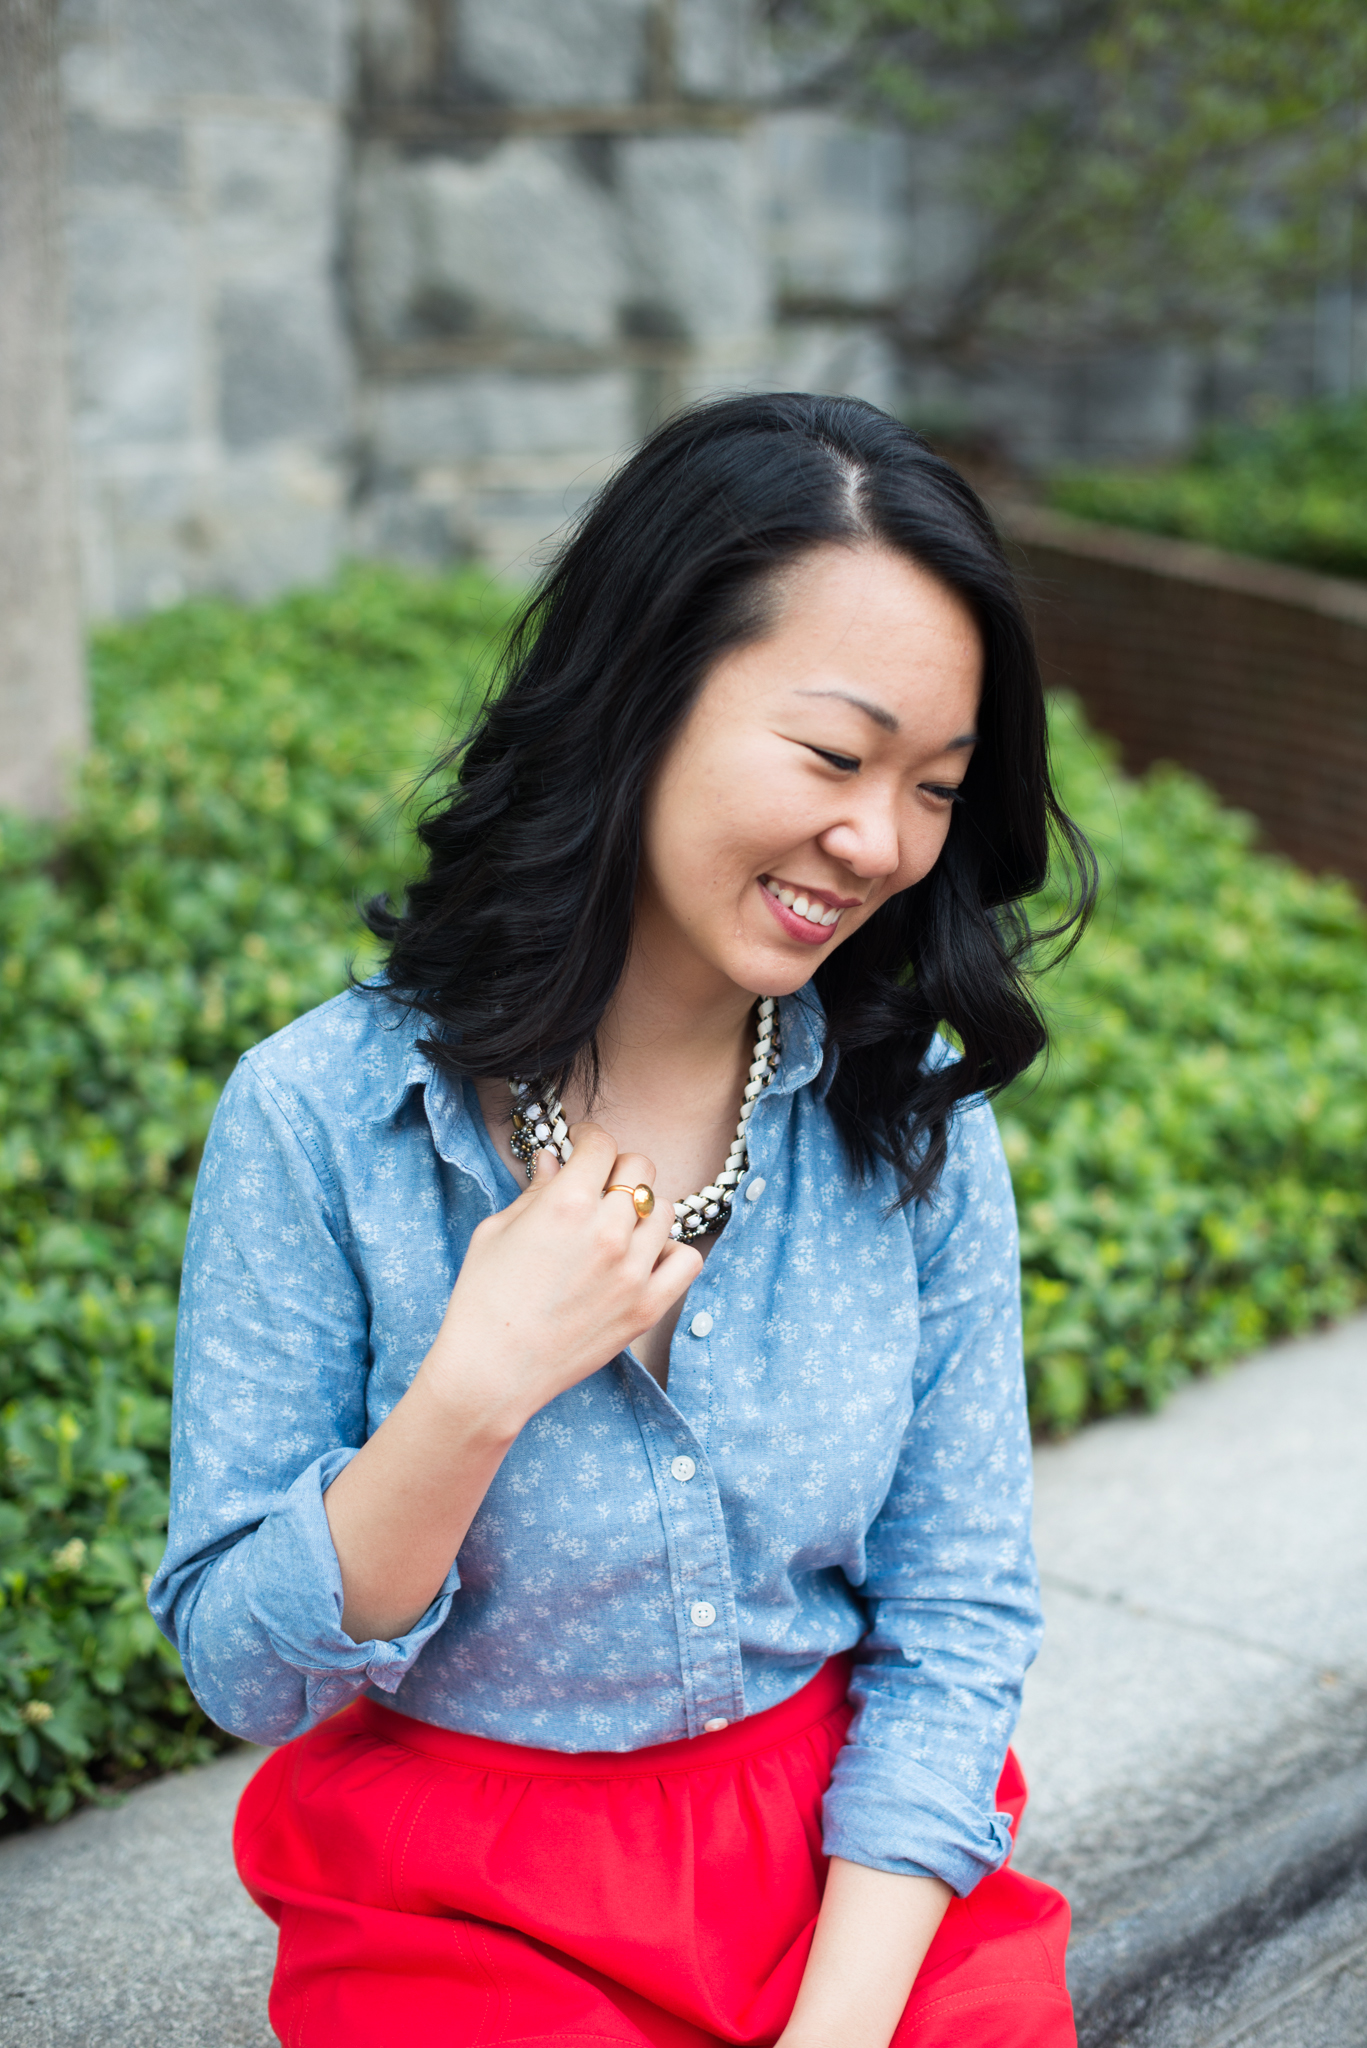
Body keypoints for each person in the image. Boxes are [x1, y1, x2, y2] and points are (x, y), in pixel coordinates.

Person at [150, 392, 1093, 2047]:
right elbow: (244, 1673)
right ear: (644, 696)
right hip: (463, 1909)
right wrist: (470, 1395)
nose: (877, 842)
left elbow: (956, 1615)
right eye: (831, 755)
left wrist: (838, 2027)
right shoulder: (321, 1121)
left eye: (934, 786)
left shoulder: (907, 1111)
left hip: (853, 1884)